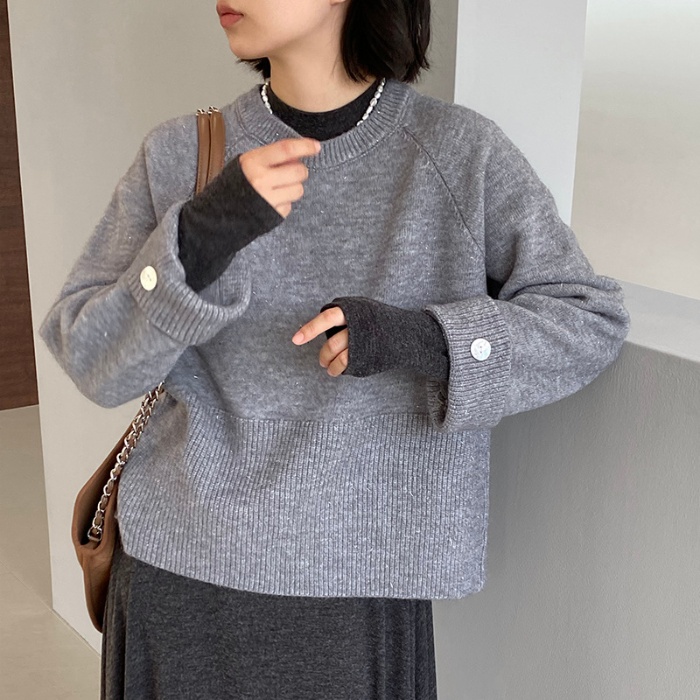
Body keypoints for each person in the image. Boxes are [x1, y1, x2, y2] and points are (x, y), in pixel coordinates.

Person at [39, 0, 631, 697]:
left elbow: (588, 319)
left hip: (362, 591)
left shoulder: (458, 153)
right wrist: (197, 239)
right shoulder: (180, 154)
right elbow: (91, 357)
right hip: (180, 580)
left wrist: (427, 339)